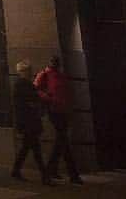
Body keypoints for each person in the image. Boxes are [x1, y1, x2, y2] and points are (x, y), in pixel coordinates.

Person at [35, 55, 82, 184]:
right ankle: (71, 174)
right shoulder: (44, 74)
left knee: (61, 141)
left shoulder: (59, 75)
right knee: (63, 139)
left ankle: (53, 170)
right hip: (54, 110)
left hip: (62, 110)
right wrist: (48, 98)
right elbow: (37, 90)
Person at [11, 60, 51, 184]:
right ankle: (44, 175)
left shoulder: (25, 84)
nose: (30, 73)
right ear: (22, 72)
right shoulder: (22, 85)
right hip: (28, 120)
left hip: (28, 120)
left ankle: (16, 170)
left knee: (28, 147)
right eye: (28, 70)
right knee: (34, 148)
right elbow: (30, 101)